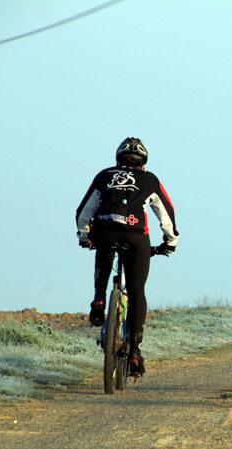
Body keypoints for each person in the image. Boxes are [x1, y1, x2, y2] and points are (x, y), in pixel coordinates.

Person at [75, 137, 179, 376]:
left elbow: (83, 212)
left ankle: (99, 300)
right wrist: (170, 243)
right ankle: (135, 351)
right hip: (135, 235)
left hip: (105, 231)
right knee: (136, 291)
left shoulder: (104, 176)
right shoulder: (149, 179)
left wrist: (84, 238)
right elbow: (167, 216)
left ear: (117, 160)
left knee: (103, 246)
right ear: (143, 162)